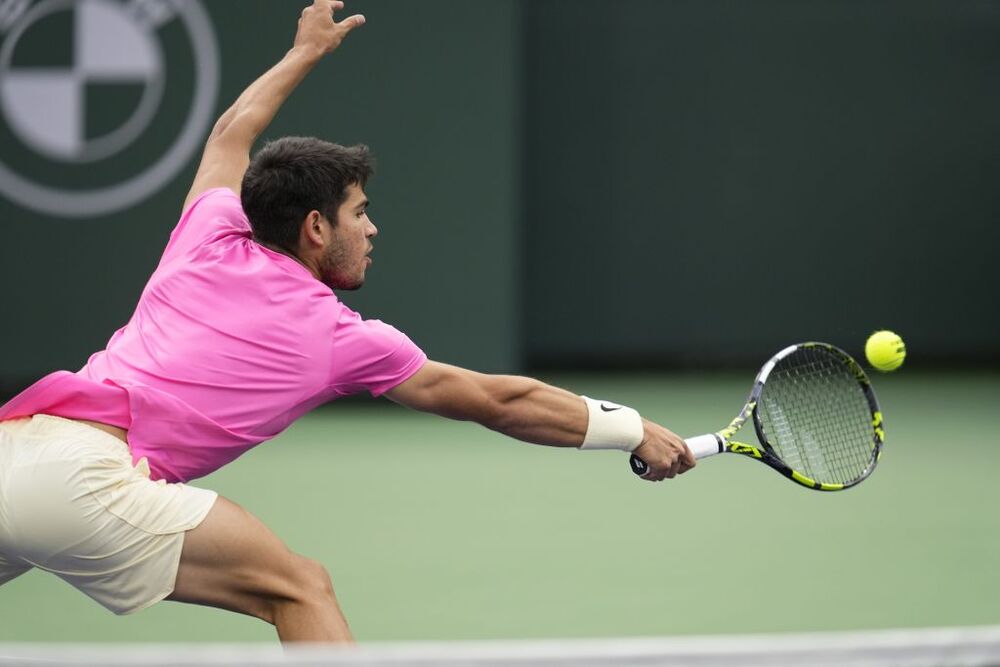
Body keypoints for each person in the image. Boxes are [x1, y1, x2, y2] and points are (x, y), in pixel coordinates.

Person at [0, 0, 694, 643]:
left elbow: (229, 132)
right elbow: (497, 400)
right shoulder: (340, 338)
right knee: (300, 588)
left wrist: (305, 52)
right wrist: (629, 427)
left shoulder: (207, 231)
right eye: (358, 213)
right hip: (89, 477)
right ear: (312, 227)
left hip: (17, 447)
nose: (373, 229)